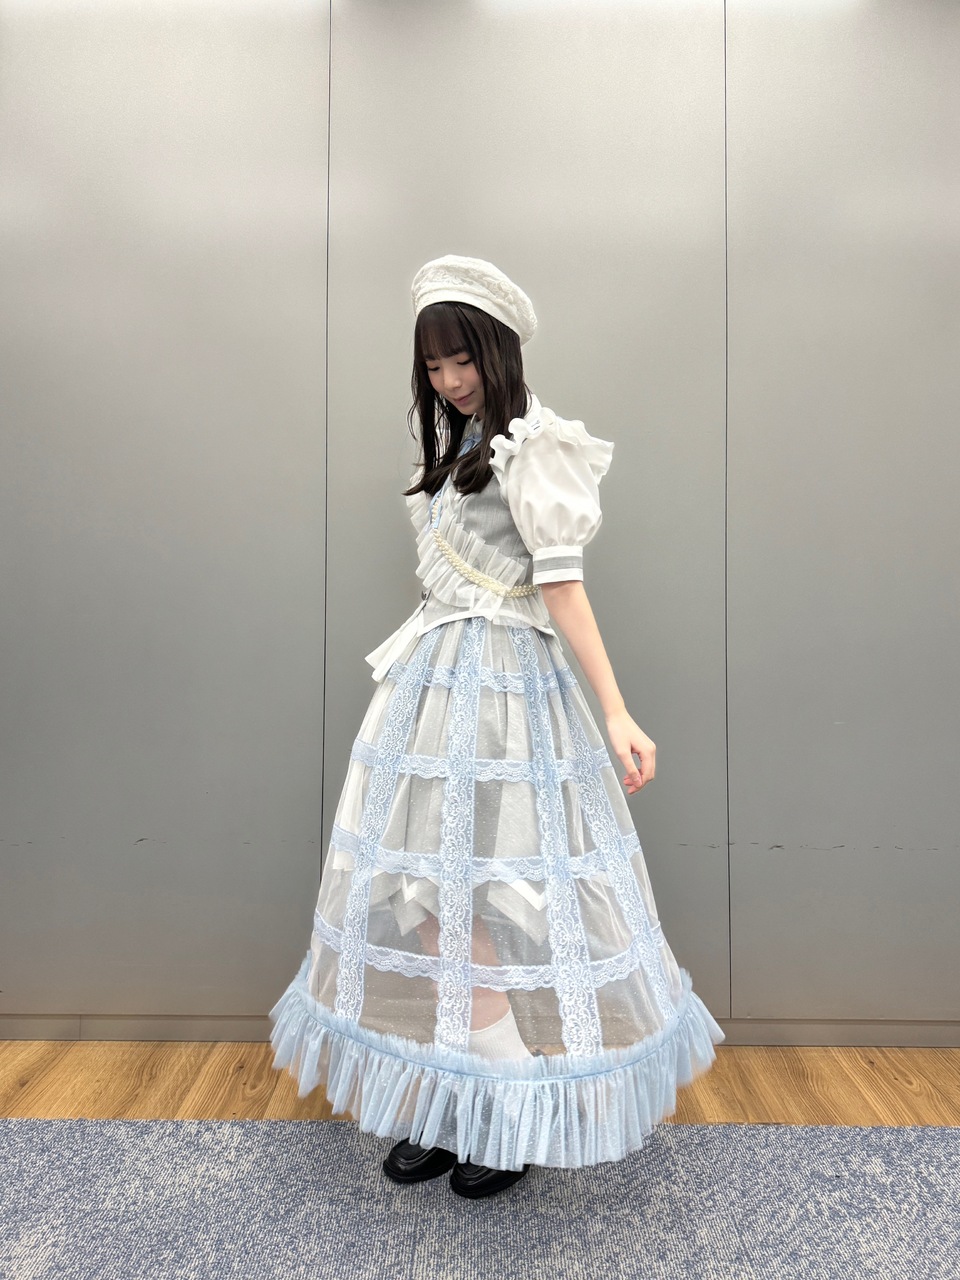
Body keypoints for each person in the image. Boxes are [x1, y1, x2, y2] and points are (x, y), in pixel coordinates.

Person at [268, 254, 726, 1199]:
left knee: (477, 901)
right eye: (433, 366)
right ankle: (461, 1104)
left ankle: (504, 1109)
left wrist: (616, 710)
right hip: (434, 693)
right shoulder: (460, 450)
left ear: (497, 351)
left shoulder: (535, 447)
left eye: (461, 359)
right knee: (430, 902)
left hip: (504, 699)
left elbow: (562, 587)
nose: (448, 380)